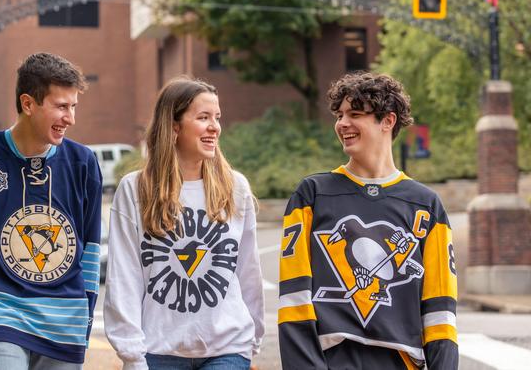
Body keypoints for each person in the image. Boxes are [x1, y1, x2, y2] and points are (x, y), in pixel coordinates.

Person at [278, 72, 458, 369]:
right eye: (339, 115)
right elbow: (294, 299)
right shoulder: (313, 194)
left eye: (356, 114)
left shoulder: (426, 206)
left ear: (387, 121)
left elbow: (440, 310)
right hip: (330, 359)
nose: (342, 123)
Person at [0, 53, 102, 370]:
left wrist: (87, 318)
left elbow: (91, 251)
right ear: (28, 104)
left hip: (65, 318)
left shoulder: (83, 163)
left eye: (73, 107)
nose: (70, 118)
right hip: (0, 309)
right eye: (61, 106)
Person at [104, 76, 265, 370]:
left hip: (226, 347)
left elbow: (248, 270)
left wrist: (251, 342)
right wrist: (131, 356)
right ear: (174, 127)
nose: (215, 127)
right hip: (157, 350)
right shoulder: (135, 189)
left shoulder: (235, 187)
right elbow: (124, 277)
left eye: (217, 118)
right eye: (203, 118)